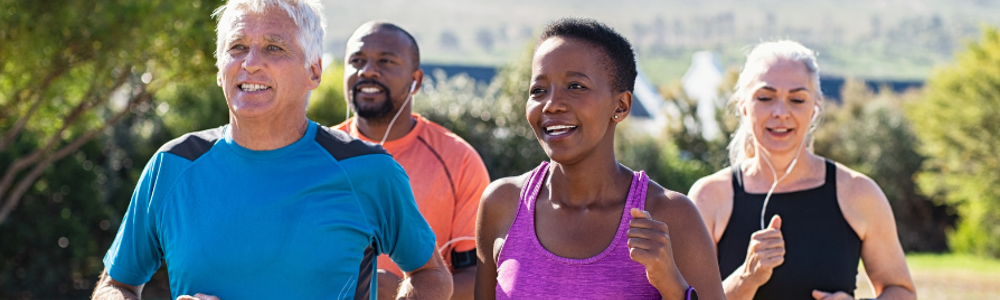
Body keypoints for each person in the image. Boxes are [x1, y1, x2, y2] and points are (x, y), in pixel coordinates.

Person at [91, 1, 453, 299]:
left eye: (273, 47)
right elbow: (115, 285)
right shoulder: (172, 165)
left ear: (314, 71)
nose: (250, 63)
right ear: (220, 71)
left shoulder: (368, 170)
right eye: (237, 48)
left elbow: (431, 274)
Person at [474, 18, 725, 300]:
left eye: (576, 86)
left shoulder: (671, 216)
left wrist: (671, 284)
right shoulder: (502, 204)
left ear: (620, 106)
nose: (552, 104)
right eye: (538, 90)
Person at [688, 40, 917, 300]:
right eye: (765, 97)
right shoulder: (709, 197)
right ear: (743, 105)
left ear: (815, 107)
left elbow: (901, 291)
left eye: (797, 99)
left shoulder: (859, 193)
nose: (781, 112)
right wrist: (746, 278)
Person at [336, 21, 490, 300]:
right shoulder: (317, 154)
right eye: (357, 60)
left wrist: (405, 292)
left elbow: (479, 277)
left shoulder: (459, 160)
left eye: (386, 61)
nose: (368, 70)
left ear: (416, 80)